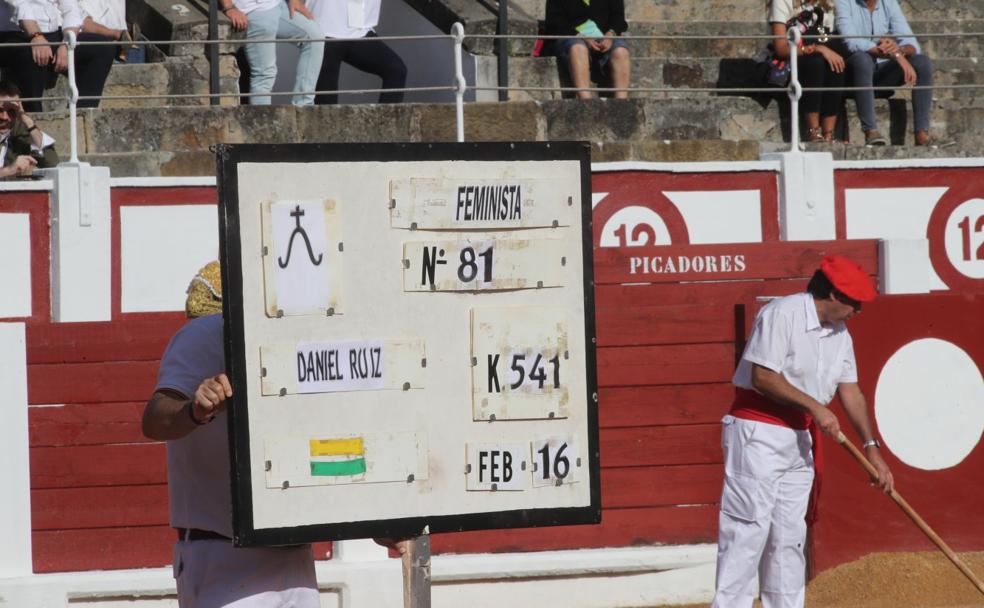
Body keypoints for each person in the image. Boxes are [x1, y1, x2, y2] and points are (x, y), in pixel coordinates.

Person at [145, 262, 407, 607]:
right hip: (225, 556)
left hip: (293, 553)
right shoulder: (205, 334)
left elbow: (326, 445)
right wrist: (194, 410)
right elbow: (155, 419)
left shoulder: (298, 342)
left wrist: (369, 518)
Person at [712, 255, 894, 608]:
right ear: (835, 295)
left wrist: (871, 447)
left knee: (788, 536)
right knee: (747, 530)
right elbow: (762, 377)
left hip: (798, 439)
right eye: (855, 302)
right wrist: (815, 407)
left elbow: (850, 390)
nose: (858, 310)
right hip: (759, 433)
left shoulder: (841, 334)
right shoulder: (783, 314)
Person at [835, 0, 934, 146]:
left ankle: (921, 134)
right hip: (851, 73)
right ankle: (871, 131)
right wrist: (893, 54)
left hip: (880, 71)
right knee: (863, 59)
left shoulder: (888, 3)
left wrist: (899, 50)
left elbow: (911, 43)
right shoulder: (843, 2)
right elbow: (851, 42)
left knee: (922, 62)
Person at [0, 0, 116, 112]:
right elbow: (20, 5)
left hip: (53, 34)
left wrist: (67, 43)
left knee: (102, 48)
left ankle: (81, 114)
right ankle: (33, 117)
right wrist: (36, 36)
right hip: (14, 33)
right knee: (32, 55)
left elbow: (71, 8)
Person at [221, 0, 324, 105]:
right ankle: (263, 119)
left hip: (277, 4)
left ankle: (304, 107)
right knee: (264, 74)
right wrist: (229, 7)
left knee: (314, 38)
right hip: (253, 10)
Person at [769, 0, 844, 142]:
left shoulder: (828, 5)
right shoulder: (782, 2)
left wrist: (824, 50)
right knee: (815, 64)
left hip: (820, 57)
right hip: (787, 62)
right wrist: (818, 49)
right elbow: (780, 48)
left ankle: (829, 134)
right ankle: (813, 131)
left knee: (836, 64)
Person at [306, 0, 407, 105]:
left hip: (358, 29)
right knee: (326, 99)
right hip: (325, 29)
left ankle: (386, 121)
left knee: (396, 70)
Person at [544, 0, 630, 100]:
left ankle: (622, 103)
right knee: (578, 48)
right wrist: (581, 36)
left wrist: (611, 34)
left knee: (621, 51)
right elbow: (554, 21)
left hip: (605, 38)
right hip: (572, 36)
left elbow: (618, 18)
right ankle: (586, 102)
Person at [0, 79, 58, 177]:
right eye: (0, 110)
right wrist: (9, 170)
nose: (5, 117)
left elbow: (52, 164)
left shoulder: (20, 133)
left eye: (12, 111)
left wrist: (27, 120)